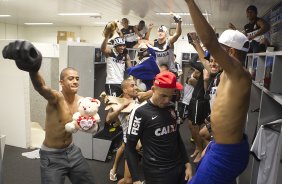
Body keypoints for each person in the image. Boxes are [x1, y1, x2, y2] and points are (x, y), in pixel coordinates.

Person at [2, 41, 95, 184]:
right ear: (61, 82)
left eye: (77, 78)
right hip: (52, 157)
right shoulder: (56, 98)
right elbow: (41, 87)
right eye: (70, 78)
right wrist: (33, 69)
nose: (75, 81)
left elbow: (94, 123)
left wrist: (92, 125)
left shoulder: (82, 102)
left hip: (73, 152)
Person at [185, 0, 252, 183]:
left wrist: (190, 2)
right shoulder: (228, 73)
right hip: (220, 144)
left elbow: (210, 41)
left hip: (227, 153)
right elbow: (205, 56)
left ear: (230, 53)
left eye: (218, 50)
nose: (213, 55)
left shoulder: (239, 74)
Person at [125, 71, 193, 184]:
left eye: (171, 96)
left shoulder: (171, 107)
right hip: (157, 173)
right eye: (163, 95)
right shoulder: (140, 112)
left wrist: (187, 163)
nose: (167, 100)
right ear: (153, 89)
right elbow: (130, 147)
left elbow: (176, 137)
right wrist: (136, 179)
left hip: (178, 167)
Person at [106, 78, 139, 182]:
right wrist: (121, 108)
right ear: (125, 90)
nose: (136, 88)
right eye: (132, 86)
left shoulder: (136, 98)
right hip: (130, 139)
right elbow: (108, 119)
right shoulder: (117, 102)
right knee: (128, 180)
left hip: (138, 136)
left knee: (123, 146)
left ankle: (114, 168)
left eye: (135, 85)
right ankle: (114, 169)